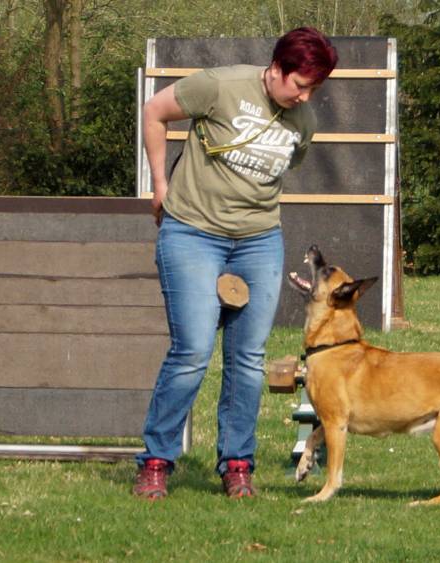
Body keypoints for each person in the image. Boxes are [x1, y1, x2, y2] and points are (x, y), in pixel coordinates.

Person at [133, 27, 338, 500]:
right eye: (300, 85)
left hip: (258, 241)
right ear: (277, 67)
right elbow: (154, 112)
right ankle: (157, 462)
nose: (305, 97)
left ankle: (238, 465)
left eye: (313, 89)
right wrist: (160, 185)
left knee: (248, 360)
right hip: (192, 232)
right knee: (192, 352)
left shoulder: (303, 121)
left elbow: (282, 167)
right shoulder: (219, 86)